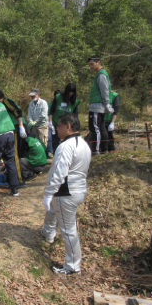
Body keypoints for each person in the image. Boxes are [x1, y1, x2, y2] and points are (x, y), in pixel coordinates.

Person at [40, 113, 91, 275]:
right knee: (54, 212)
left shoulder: (66, 146)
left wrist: (49, 193)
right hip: (78, 189)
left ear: (68, 127)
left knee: (68, 230)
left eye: (59, 126)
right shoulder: (83, 144)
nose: (56, 129)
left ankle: (72, 265)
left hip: (65, 192)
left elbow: (59, 172)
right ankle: (47, 232)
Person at [0, 89, 27, 184]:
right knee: (12, 155)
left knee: (15, 155)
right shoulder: (2, 104)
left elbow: (18, 111)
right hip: (12, 129)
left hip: (17, 128)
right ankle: (12, 178)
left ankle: (19, 180)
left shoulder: (6, 101)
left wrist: (21, 126)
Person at [87, 56, 114, 155]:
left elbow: (105, 90)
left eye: (92, 64)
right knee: (101, 127)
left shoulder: (101, 75)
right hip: (97, 105)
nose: (90, 67)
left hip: (97, 106)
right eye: (89, 65)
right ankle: (104, 149)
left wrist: (106, 103)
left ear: (98, 62)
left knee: (96, 128)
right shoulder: (99, 74)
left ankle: (96, 150)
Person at [49, 84, 80, 153]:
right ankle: (55, 155)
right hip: (56, 123)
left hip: (68, 126)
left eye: (72, 92)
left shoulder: (75, 101)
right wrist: (50, 121)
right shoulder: (58, 97)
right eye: (69, 92)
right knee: (55, 141)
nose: (70, 94)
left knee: (66, 142)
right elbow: (52, 110)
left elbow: (75, 115)